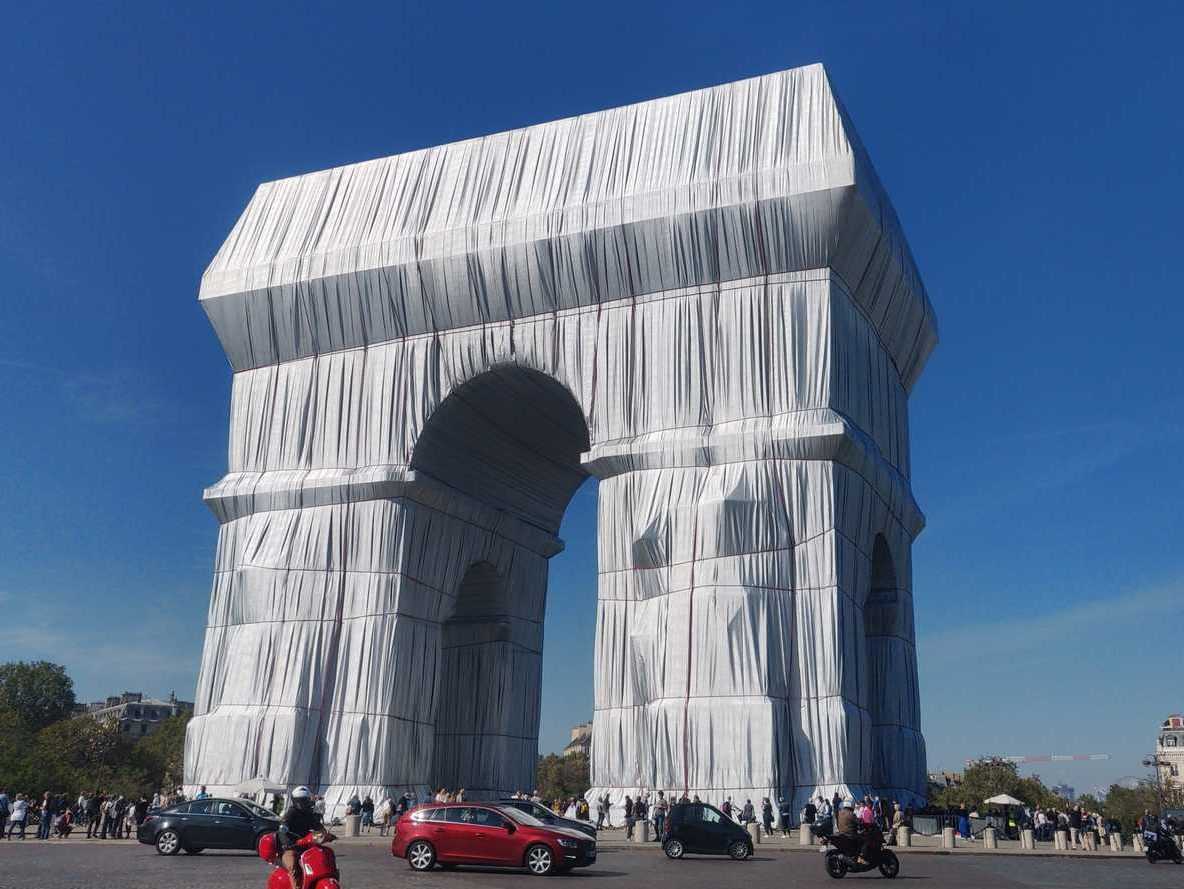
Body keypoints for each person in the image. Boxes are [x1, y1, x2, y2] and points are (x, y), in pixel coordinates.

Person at [278, 787, 330, 889]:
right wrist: (286, 842)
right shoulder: (291, 813)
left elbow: (316, 825)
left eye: (306, 800)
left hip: (306, 846)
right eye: (302, 800)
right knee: (293, 866)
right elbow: (283, 826)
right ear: (296, 801)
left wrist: (325, 832)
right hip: (292, 847)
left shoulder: (308, 813)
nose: (305, 803)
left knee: (322, 856)